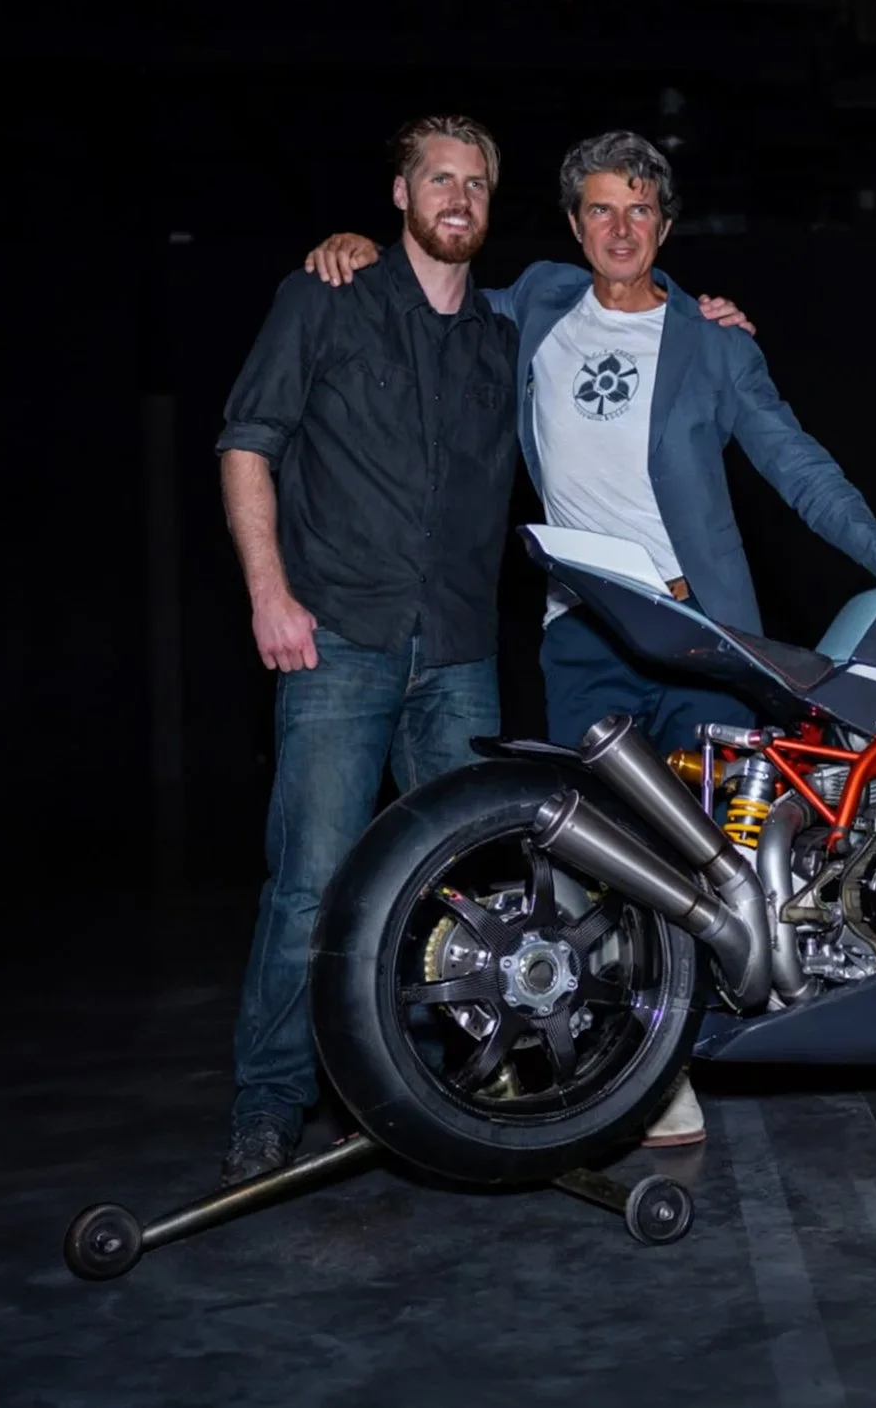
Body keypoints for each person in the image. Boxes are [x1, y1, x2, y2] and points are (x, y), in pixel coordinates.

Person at [304, 130, 876, 1147]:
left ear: (663, 224)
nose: (619, 228)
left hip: (701, 632)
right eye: (600, 209)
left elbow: (795, 464)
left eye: (640, 210)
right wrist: (361, 244)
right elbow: (432, 300)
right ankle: (616, 1061)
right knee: (594, 864)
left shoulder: (715, 344)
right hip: (584, 630)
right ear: (575, 223)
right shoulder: (532, 303)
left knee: (708, 857)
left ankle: (686, 1054)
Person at [212, 115, 755, 1185]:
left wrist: (703, 312)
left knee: (479, 894)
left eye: (474, 184)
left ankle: (481, 1082)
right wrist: (268, 594)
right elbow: (247, 441)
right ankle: (269, 1105)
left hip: (458, 649)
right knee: (312, 886)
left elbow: (623, 317)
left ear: (490, 207)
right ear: (402, 196)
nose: (457, 197)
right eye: (437, 180)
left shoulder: (506, 338)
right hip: (337, 639)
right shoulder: (326, 295)